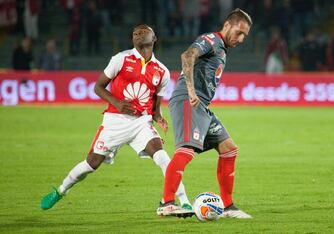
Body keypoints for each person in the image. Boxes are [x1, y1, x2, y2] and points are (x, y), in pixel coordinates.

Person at [40, 24, 192, 211]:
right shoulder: (120, 59)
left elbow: (155, 104)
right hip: (114, 121)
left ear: (154, 38)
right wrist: (118, 103)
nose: (138, 34)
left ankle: (183, 201)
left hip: (141, 123)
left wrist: (158, 116)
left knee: (163, 158)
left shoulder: (162, 71)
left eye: (143, 32)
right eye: (135, 33)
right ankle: (61, 190)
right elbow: (98, 87)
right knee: (91, 164)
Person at [156, 8, 253, 219]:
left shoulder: (222, 49)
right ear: (227, 25)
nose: (241, 39)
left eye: (244, 35)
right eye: (239, 32)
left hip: (202, 106)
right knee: (186, 150)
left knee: (229, 149)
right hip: (187, 100)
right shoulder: (210, 40)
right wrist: (191, 90)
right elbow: (187, 55)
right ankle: (167, 202)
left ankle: (228, 208)